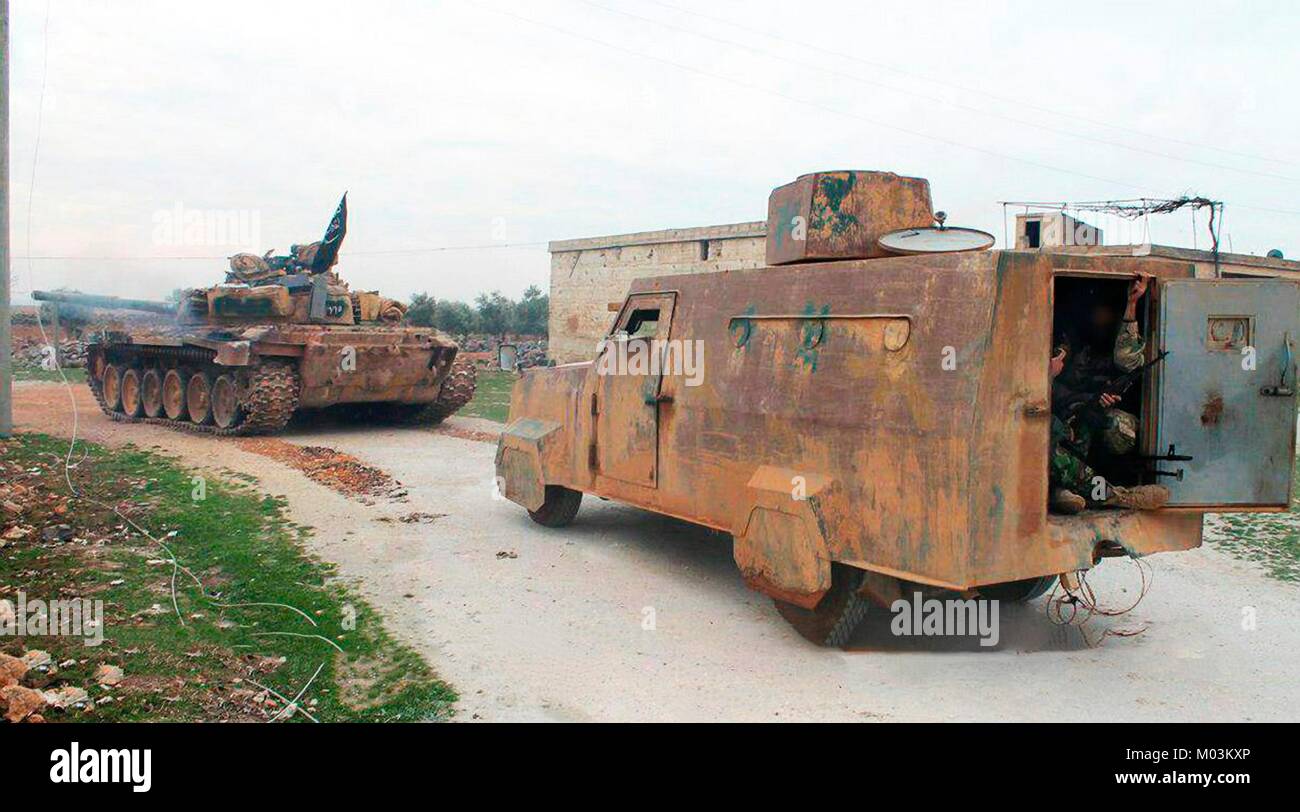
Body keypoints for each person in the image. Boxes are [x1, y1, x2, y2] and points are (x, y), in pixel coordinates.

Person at [1048, 274, 1169, 514]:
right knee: (1047, 442)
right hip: (1061, 417)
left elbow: (1127, 359)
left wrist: (1132, 304)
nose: (1101, 317)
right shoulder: (1068, 342)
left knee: (1105, 427)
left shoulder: (1116, 345)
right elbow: (1042, 393)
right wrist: (1051, 375)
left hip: (1082, 419)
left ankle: (1064, 492)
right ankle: (1114, 496)